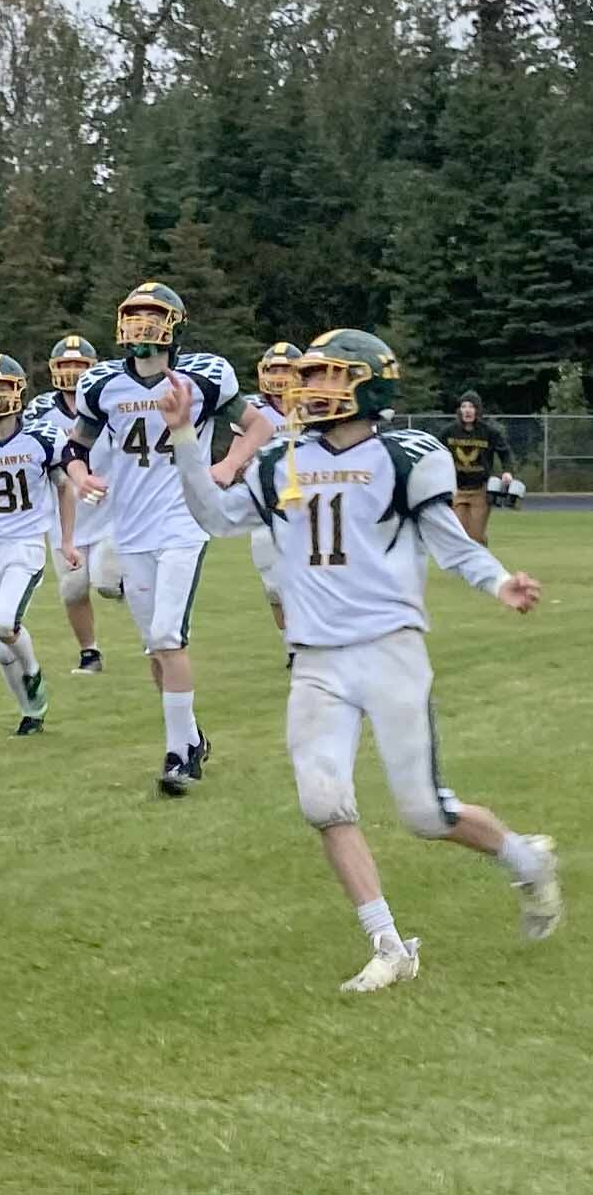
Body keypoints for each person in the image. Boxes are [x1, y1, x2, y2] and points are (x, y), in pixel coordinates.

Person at [161, 329, 562, 991]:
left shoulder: (404, 458)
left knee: (425, 814)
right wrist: (181, 437)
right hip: (315, 657)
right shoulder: (280, 459)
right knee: (322, 800)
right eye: (308, 377)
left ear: (368, 383)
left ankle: (526, 859)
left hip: (388, 649)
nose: (309, 388)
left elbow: (454, 545)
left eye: (326, 376)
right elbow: (210, 514)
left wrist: (498, 582)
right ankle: (388, 942)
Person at [61, 282, 274, 796]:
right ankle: (191, 736)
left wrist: (226, 464)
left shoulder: (204, 375)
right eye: (133, 316)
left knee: (166, 636)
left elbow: (258, 425)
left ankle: (179, 757)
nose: (140, 326)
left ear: (174, 324)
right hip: (131, 529)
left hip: (183, 522)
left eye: (151, 316)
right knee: (154, 648)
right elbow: (74, 445)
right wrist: (79, 474)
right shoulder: (101, 384)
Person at [0, 355, 76, 735]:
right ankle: (32, 711)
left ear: (18, 390)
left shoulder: (42, 436)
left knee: (5, 622)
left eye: (1, 387)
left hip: (25, 545)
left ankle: (34, 669)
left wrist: (67, 541)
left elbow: (64, 488)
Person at [26, 336, 122, 675]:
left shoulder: (106, 400)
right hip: (64, 515)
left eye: (79, 365)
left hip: (108, 508)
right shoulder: (39, 410)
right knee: (72, 589)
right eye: (65, 365)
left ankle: (141, 599)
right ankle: (89, 654)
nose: (72, 372)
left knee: (107, 582)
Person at [244, 343, 301, 659]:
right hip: (265, 507)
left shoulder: (315, 406)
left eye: (286, 369)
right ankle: (290, 646)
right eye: (274, 370)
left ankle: (312, 640)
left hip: (307, 507)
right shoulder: (252, 409)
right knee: (273, 588)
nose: (280, 377)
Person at [439, 390, 515, 542]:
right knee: (459, 534)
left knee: (476, 535)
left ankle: (481, 562)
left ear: (477, 410)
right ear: (459, 410)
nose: (467, 410)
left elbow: (505, 452)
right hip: (457, 490)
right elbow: (435, 452)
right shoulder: (449, 432)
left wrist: (507, 471)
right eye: (464, 406)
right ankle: (463, 565)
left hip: (480, 490)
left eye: (471, 407)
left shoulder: (488, 432)